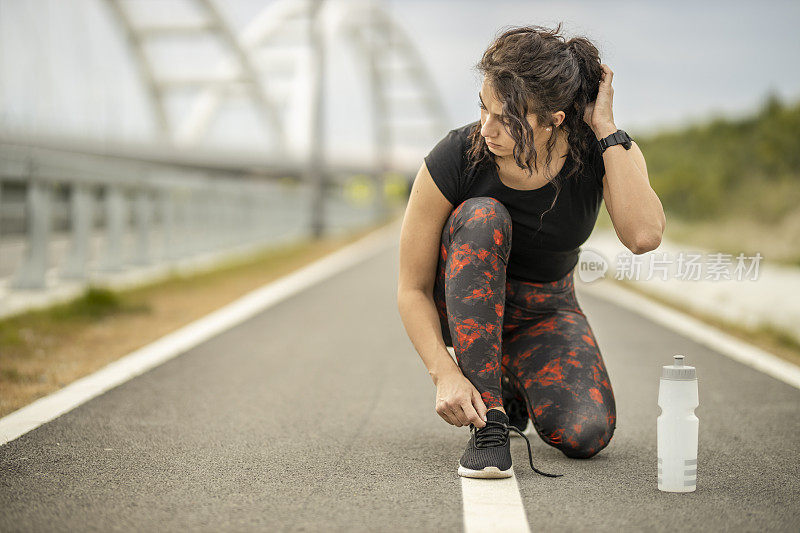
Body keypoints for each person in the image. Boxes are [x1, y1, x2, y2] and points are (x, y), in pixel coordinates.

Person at [397, 23, 666, 479]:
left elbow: (643, 237)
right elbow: (412, 287)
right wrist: (444, 373)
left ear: (554, 120)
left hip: (543, 309)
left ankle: (510, 380)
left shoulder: (601, 149)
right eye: (483, 109)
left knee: (587, 434)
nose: (487, 128)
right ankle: (491, 426)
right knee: (483, 215)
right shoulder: (456, 154)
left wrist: (605, 127)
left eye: (507, 119)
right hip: (461, 305)